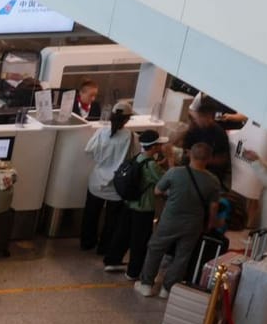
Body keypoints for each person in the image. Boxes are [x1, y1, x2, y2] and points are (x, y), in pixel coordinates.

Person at [136, 141, 223, 298]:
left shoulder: (175, 173)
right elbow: (214, 206)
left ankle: (146, 284)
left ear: (190, 154)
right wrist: (211, 223)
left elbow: (157, 191)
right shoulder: (213, 180)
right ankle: (167, 289)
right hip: (193, 224)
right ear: (208, 159)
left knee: (156, 249)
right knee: (182, 256)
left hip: (170, 219)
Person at [82, 106, 135, 259]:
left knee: (91, 214)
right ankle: (104, 247)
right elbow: (134, 157)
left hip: (97, 179)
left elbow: (89, 150)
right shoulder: (131, 137)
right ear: (127, 119)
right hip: (116, 184)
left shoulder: (101, 132)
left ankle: (87, 242)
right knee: (112, 219)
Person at [120, 130, 167, 283]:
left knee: (126, 236)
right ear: (153, 147)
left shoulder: (138, 158)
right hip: (144, 208)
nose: (161, 146)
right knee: (140, 243)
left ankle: (114, 260)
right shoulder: (152, 165)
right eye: (159, 144)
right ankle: (133, 272)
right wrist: (170, 161)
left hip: (130, 205)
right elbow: (165, 181)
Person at [179, 100, 234, 186]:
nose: (197, 120)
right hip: (191, 168)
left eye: (201, 117)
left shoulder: (219, 133)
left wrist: (200, 159)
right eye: (197, 117)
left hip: (209, 173)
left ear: (209, 117)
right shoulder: (194, 128)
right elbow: (185, 149)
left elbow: (222, 160)